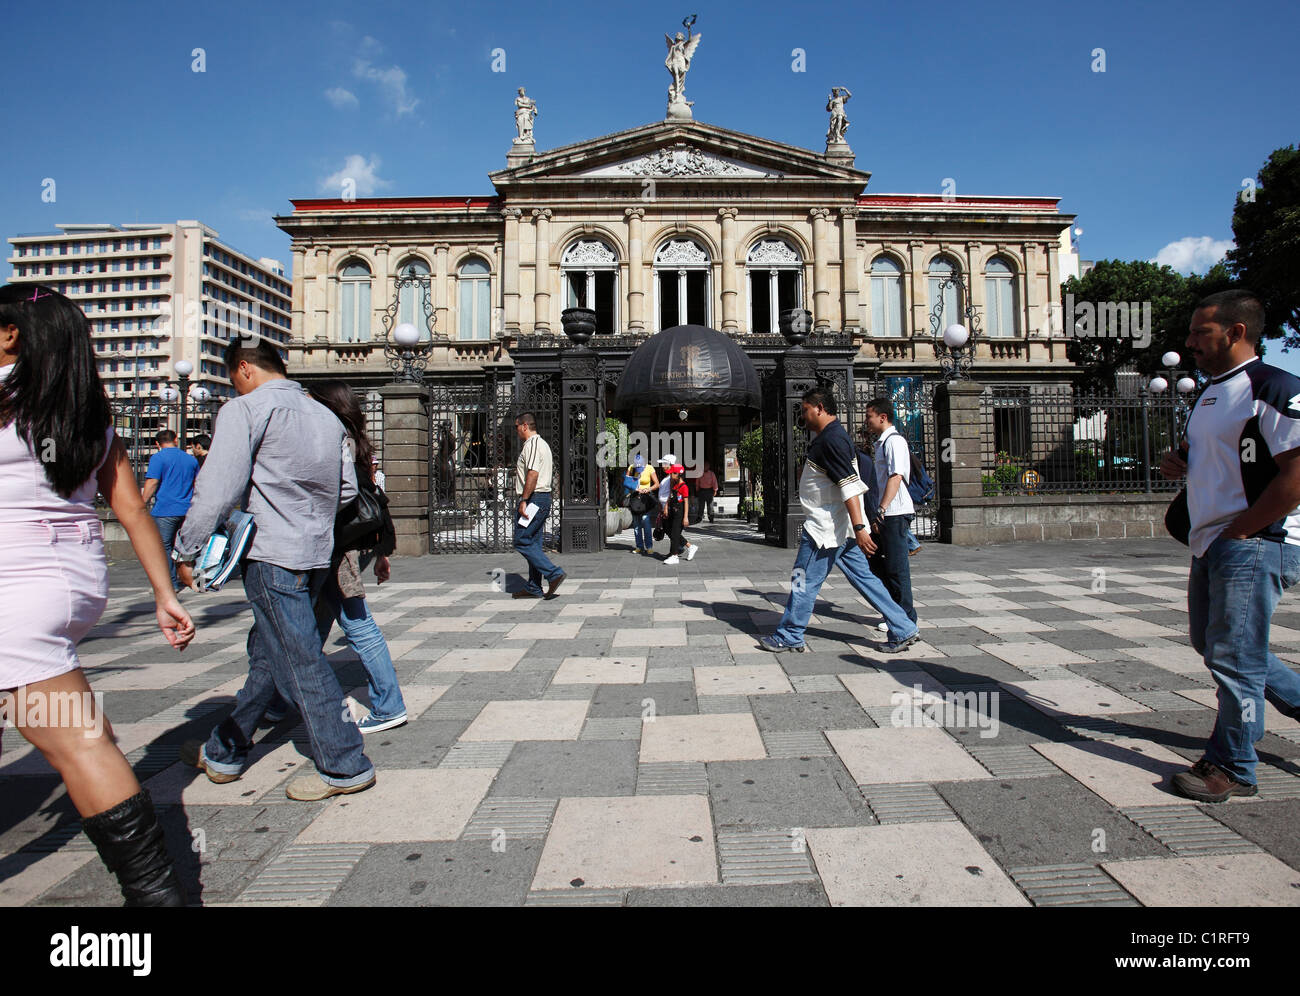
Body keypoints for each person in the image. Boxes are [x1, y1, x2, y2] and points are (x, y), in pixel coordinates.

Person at [0, 284, 193, 906]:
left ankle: (158, 899)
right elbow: (131, 507)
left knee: (76, 740)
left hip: (17, 583)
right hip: (72, 583)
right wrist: (164, 593)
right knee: (69, 724)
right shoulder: (87, 413)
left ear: (10, 336)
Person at [173, 336, 376, 802]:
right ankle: (224, 751)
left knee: (299, 661)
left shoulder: (245, 411)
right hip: (317, 552)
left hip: (272, 553)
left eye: (231, 377)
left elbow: (218, 488)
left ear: (243, 368)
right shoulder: (324, 416)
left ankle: (347, 763)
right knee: (271, 655)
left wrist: (187, 550)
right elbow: (346, 491)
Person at [1159, 289, 1300, 803]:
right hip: (1211, 540)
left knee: (1233, 658)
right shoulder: (1210, 393)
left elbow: (1296, 476)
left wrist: (1242, 530)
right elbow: (1203, 456)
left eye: (1201, 332)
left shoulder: (1274, 388)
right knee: (1216, 646)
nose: (1190, 342)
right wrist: (1178, 462)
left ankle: (1234, 765)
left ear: (1236, 332)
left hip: (1257, 540)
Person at [760, 387, 918, 654]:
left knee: (802, 579)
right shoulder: (835, 436)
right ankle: (903, 627)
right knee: (866, 579)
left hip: (826, 528)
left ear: (820, 408)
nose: (803, 415)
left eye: (806, 409)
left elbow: (849, 485)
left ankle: (789, 634)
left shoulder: (831, 440)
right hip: (839, 526)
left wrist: (859, 527)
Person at [306, 381, 407, 734]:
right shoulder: (356, 442)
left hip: (333, 547)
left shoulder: (335, 440)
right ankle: (273, 698)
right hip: (342, 546)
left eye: (310, 399)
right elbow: (376, 496)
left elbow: (356, 494)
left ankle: (388, 704)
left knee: (355, 624)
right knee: (309, 626)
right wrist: (381, 551)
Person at [863, 398, 918, 625]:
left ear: (882, 417)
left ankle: (906, 618)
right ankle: (894, 611)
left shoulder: (894, 442)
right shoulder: (881, 443)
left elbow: (896, 477)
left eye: (869, 416)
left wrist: (882, 508)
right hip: (885, 513)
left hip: (894, 512)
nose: (867, 421)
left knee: (897, 568)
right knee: (876, 562)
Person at [512, 412, 565, 599]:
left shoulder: (533, 444)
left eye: (516, 426)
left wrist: (524, 500)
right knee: (533, 541)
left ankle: (553, 573)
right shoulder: (539, 444)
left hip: (535, 499)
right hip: (539, 499)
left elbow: (533, 474)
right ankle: (534, 586)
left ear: (525, 426)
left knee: (521, 539)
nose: (516, 430)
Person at [142, 428, 199, 591]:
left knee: (164, 547)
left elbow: (152, 482)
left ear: (157, 444)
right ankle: (199, 582)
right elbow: (197, 484)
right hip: (188, 509)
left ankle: (171, 584)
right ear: (176, 440)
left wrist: (142, 503)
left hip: (165, 510)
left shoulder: (158, 458)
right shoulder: (190, 460)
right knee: (193, 547)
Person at [663, 464, 697, 565]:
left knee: (674, 533)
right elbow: (670, 496)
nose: (670, 476)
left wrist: (685, 517)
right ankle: (690, 546)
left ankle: (674, 556)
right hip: (672, 511)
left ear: (678, 474)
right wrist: (666, 507)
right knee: (669, 530)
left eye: (672, 473)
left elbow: (686, 503)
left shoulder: (684, 487)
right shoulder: (673, 483)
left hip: (680, 513)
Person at [628, 453, 659, 555]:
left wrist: (648, 489)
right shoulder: (633, 468)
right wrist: (635, 488)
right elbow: (628, 483)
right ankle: (639, 546)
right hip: (635, 498)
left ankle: (649, 546)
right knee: (636, 524)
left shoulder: (649, 468)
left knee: (646, 523)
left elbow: (656, 484)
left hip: (646, 499)